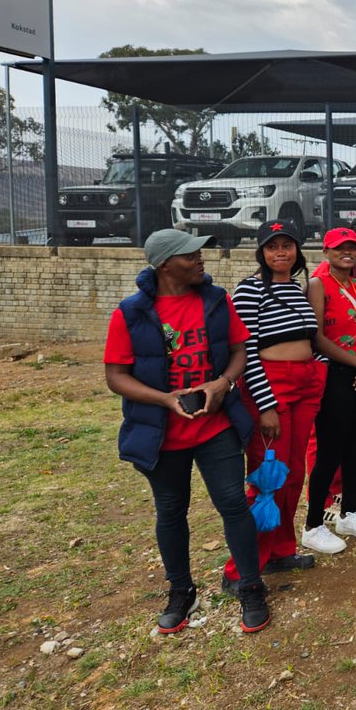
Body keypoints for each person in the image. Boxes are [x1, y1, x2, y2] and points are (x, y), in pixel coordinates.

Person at [104, 229, 270, 634]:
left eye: (200, 254)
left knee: (233, 506)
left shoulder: (215, 300)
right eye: (190, 256)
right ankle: (181, 590)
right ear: (164, 265)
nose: (201, 260)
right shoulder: (130, 313)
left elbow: (238, 350)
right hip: (162, 434)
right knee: (171, 512)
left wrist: (223, 384)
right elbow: (115, 376)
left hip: (216, 428)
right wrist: (164, 399)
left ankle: (250, 586)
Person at [222, 220, 326, 591]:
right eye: (272, 246)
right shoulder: (250, 290)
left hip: (304, 383)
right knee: (270, 477)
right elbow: (245, 350)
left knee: (294, 472)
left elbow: (309, 338)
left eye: (287, 245)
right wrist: (265, 405)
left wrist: (319, 371)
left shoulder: (297, 289)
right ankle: (242, 567)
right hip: (271, 387)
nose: (280, 252)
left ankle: (281, 550)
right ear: (261, 252)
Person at [301, 228, 356, 554]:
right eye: (340, 249)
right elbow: (317, 336)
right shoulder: (319, 286)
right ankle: (312, 525)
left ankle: (349, 511)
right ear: (326, 252)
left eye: (351, 248)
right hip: (336, 374)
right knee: (330, 450)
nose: (347, 253)